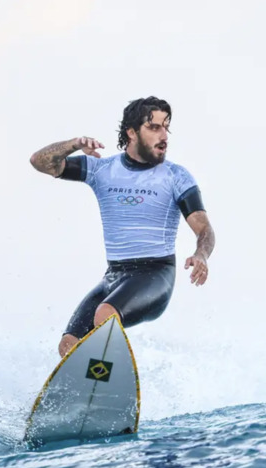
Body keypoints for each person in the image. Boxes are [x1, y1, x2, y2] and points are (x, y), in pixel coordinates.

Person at [29, 96, 215, 357]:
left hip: (155, 275)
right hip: (114, 277)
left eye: (166, 127)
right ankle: (87, 391)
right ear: (132, 132)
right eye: (154, 127)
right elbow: (40, 162)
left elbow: (204, 228)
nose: (163, 135)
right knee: (68, 344)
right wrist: (73, 144)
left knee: (105, 315)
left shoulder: (177, 177)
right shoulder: (102, 169)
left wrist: (201, 254)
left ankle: (105, 379)